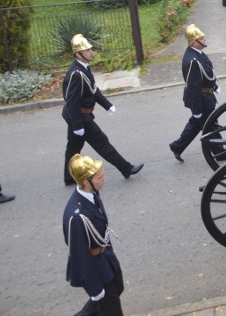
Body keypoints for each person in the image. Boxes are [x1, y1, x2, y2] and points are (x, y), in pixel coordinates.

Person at [62, 34, 142, 185]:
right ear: (77, 54)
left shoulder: (83, 69)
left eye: (90, 49)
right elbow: (71, 102)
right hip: (80, 118)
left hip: (79, 117)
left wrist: (107, 105)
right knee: (102, 143)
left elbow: (93, 90)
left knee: (73, 148)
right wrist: (77, 125)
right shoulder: (76, 74)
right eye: (87, 50)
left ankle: (68, 177)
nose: (91, 52)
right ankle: (126, 168)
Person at [64, 153, 125, 315]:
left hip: (105, 259)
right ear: (86, 182)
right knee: (111, 308)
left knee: (115, 290)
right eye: (99, 176)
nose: (103, 178)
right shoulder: (77, 217)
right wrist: (95, 289)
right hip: (94, 268)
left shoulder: (92, 194)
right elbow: (80, 257)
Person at [170, 24, 219, 162]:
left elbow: (207, 73)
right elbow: (193, 87)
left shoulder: (199, 54)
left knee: (199, 124)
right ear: (194, 42)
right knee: (209, 125)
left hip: (206, 96)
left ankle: (177, 146)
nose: (205, 40)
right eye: (202, 39)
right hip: (201, 99)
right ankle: (220, 152)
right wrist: (197, 109)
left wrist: (214, 86)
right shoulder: (192, 60)